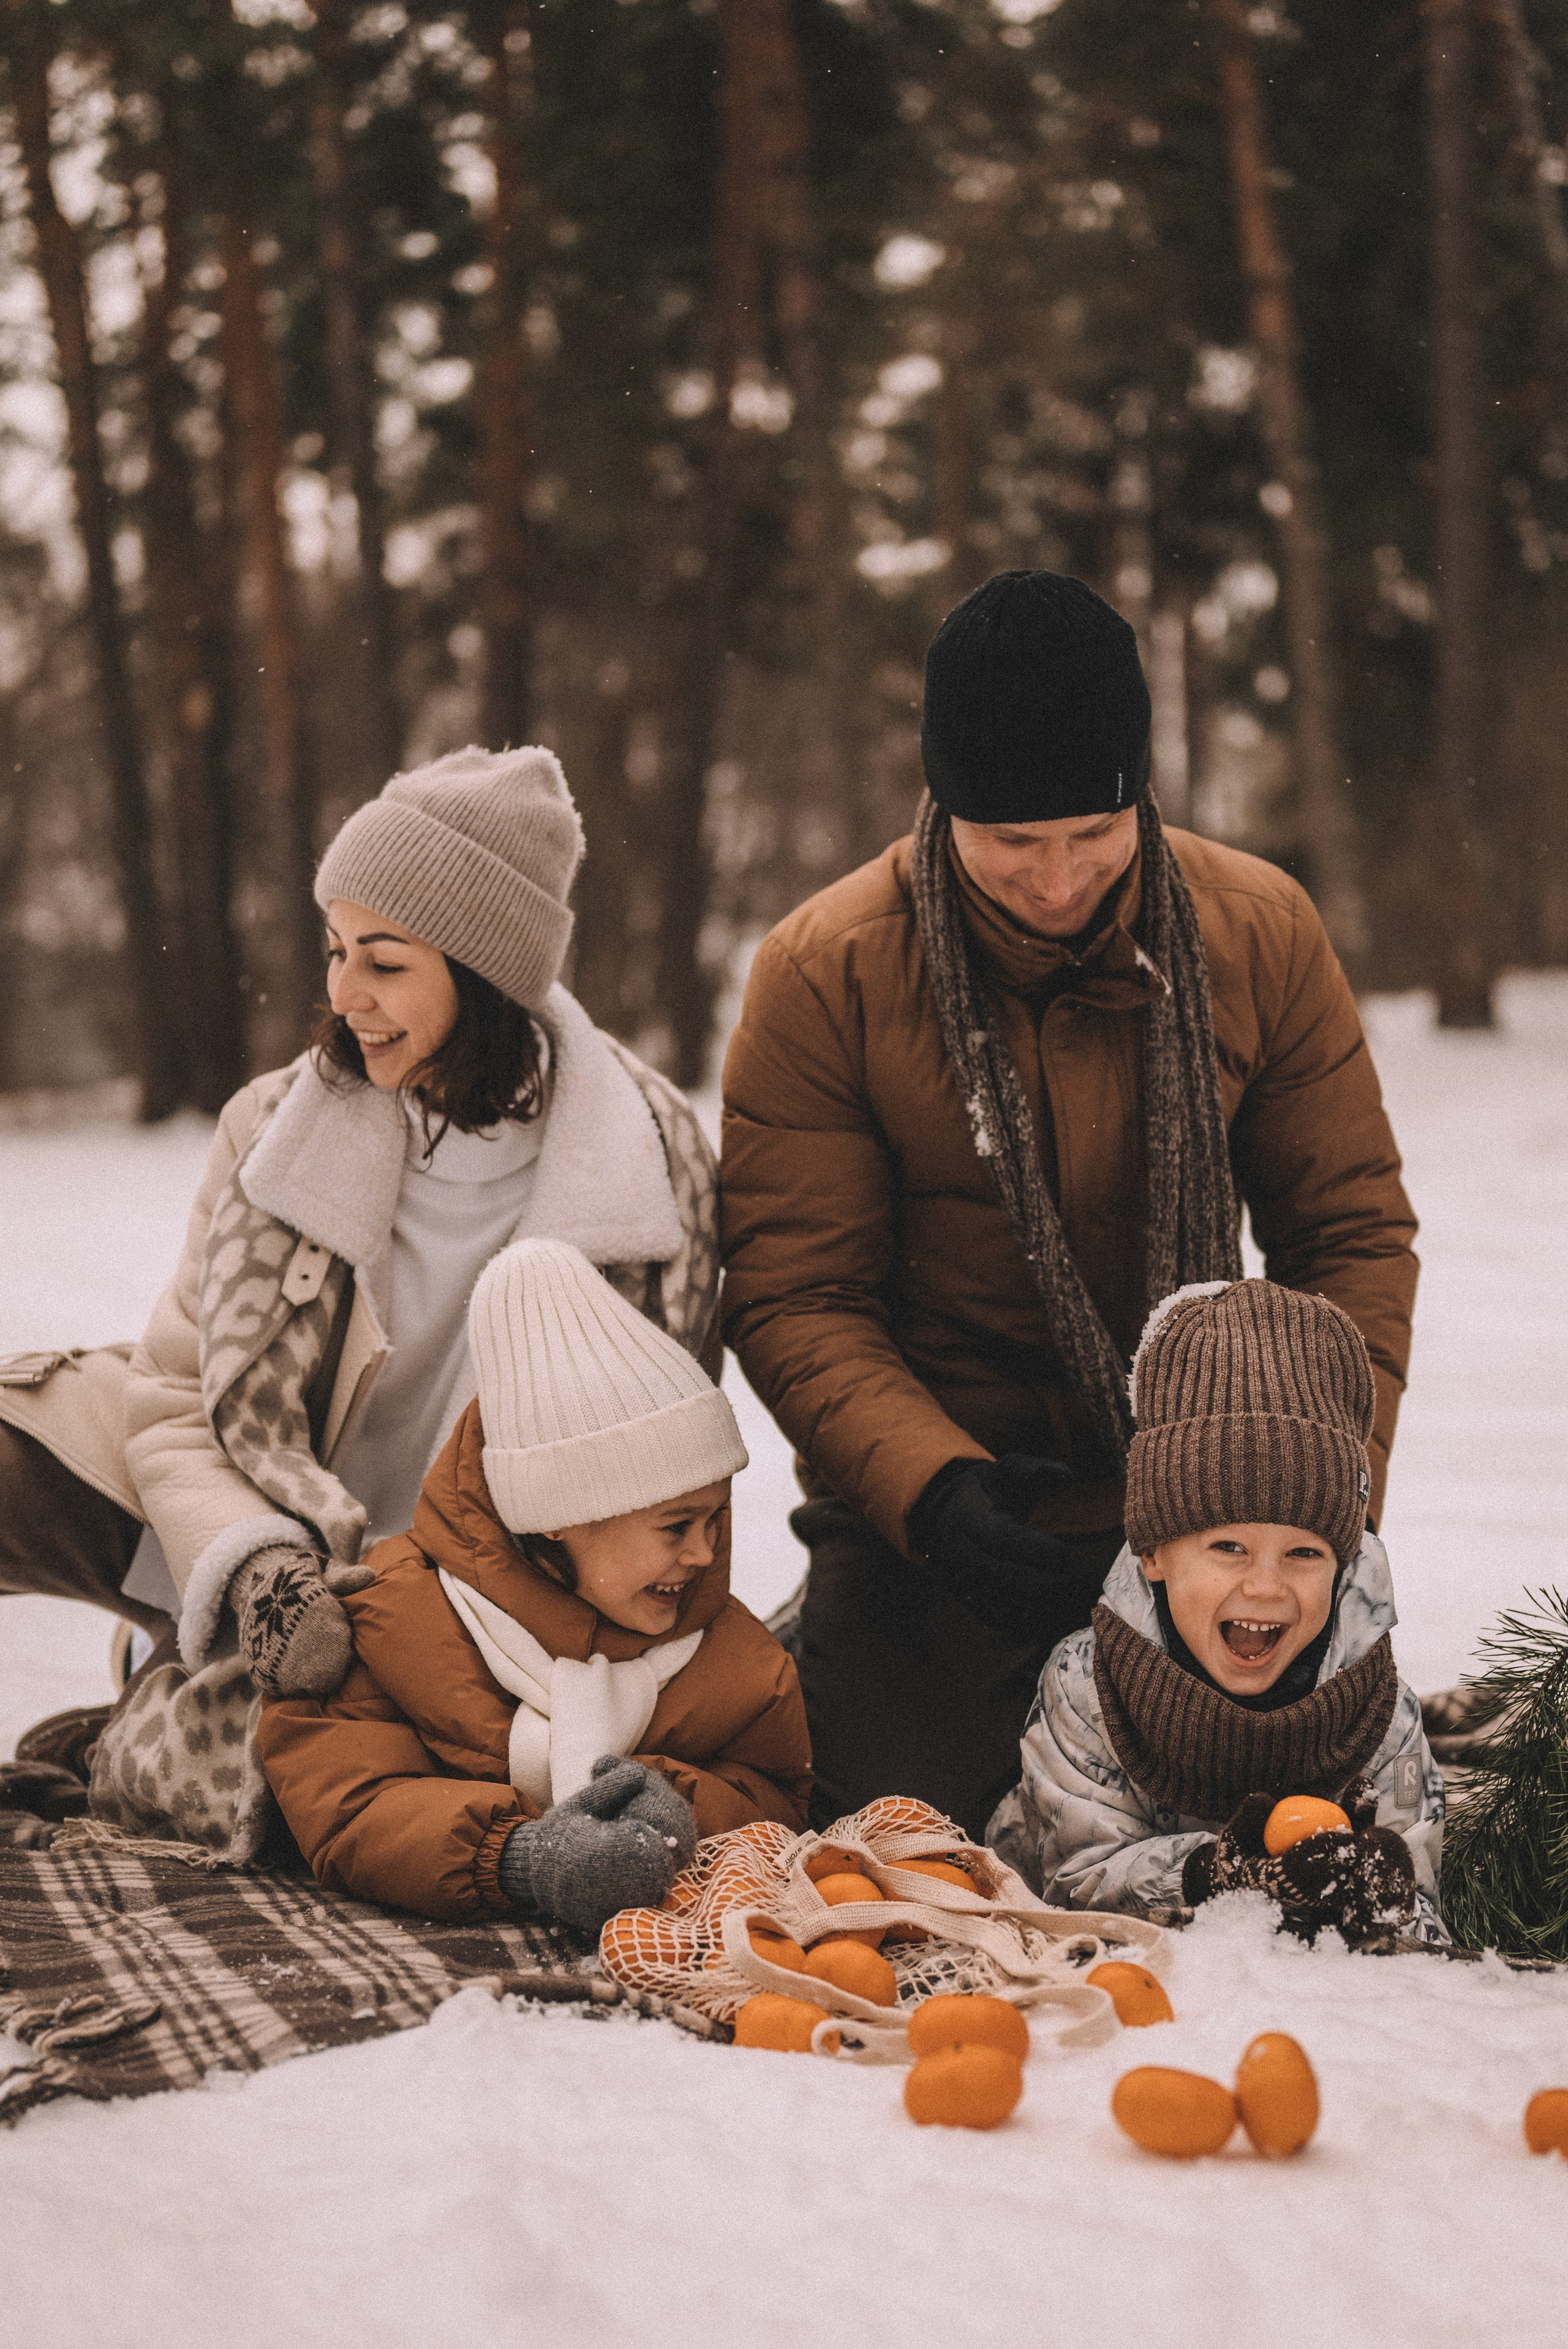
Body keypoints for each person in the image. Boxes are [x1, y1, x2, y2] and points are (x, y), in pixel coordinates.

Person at [721, 568, 1419, 1842]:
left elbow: (1348, 1234)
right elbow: (794, 1292)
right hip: (940, 1512)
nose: (1054, 883)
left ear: (1137, 795)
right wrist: (932, 1494)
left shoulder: (1256, 930)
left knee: (1285, 1813)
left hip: (1202, 1488)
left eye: (1089, 839)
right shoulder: (824, 972)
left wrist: (1320, 1487)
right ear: (942, 810)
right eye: (1010, 845)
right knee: (905, 1827)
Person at [0, 746, 718, 1856]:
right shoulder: (276, 1126)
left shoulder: (649, 1158)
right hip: (255, 1544)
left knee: (338, 1802)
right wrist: (258, 1567)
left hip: (470, 1610)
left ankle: (167, 1705)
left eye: (383, 962)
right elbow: (180, 1401)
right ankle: (195, 1659)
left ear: (483, 973)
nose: (342, 994)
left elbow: (660, 1474)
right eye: (336, 951)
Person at [258, 1240, 810, 1929]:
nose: (704, 1553)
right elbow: (346, 1802)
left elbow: (780, 1797)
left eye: (715, 1518)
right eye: (675, 1526)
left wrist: (679, 1808)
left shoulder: (733, 1659)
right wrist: (520, 1856)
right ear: (560, 1519)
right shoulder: (402, 1620)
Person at [987, 1279, 1444, 1946]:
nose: (1264, 1586)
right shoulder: (1090, 1685)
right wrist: (1216, 1875)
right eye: (1227, 1546)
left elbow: (1421, 1896)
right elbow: (1075, 1877)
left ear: (1343, 1564)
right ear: (1154, 1554)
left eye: (1303, 1553)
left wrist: (1378, 1893)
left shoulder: (1377, 1711)